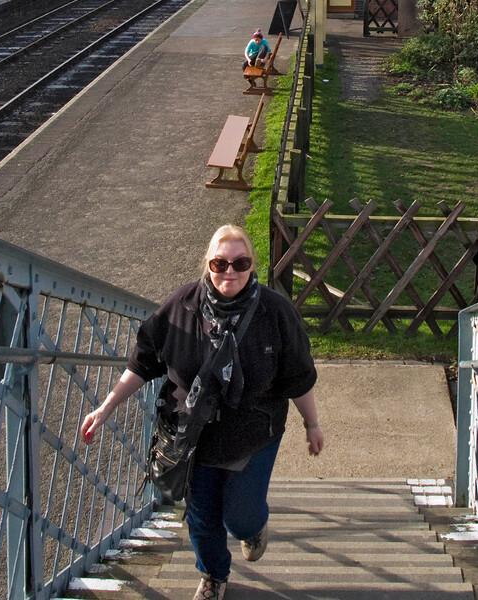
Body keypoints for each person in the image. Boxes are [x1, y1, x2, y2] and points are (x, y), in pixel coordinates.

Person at [80, 224, 324, 600]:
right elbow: (144, 361)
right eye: (220, 263)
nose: (230, 271)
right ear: (207, 265)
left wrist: (312, 424)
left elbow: (298, 376)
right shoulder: (182, 305)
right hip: (194, 435)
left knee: (239, 516)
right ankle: (213, 575)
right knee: (201, 516)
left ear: (252, 265)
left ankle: (253, 529)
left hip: (254, 433)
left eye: (240, 263)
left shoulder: (275, 312)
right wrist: (106, 406)